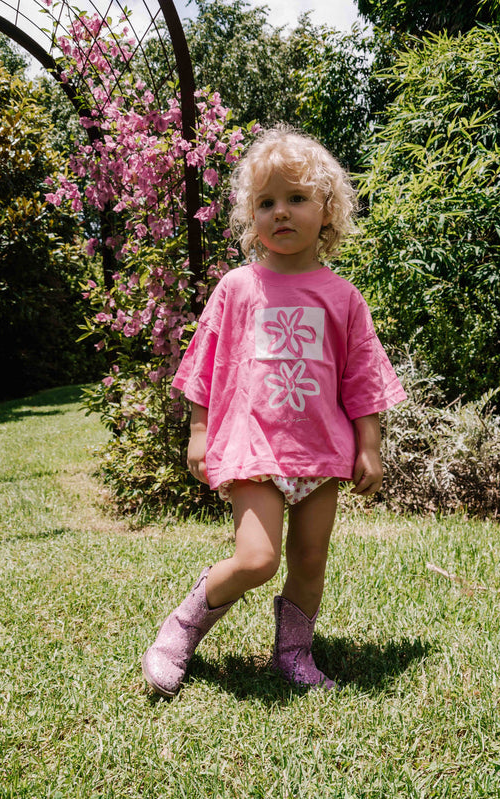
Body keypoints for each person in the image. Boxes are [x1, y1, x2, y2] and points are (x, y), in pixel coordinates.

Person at [142, 125, 406, 697]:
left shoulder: (343, 297)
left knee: (310, 559)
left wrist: (369, 446)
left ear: (328, 211)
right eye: (266, 203)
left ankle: (292, 654)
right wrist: (199, 432)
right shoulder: (238, 288)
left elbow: (363, 379)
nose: (280, 212)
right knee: (258, 558)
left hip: (320, 450)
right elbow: (204, 367)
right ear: (249, 216)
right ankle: (183, 626)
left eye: (295, 199)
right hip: (252, 445)